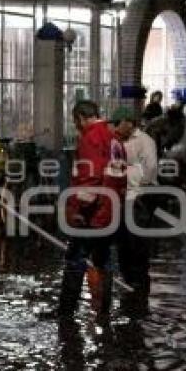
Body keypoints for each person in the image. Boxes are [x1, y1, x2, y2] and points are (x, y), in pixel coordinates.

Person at [52, 100, 126, 320]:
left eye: (76, 122)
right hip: (110, 211)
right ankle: (104, 311)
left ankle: (66, 313)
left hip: (91, 215)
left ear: (81, 118)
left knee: (75, 259)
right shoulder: (114, 138)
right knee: (104, 261)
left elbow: (90, 179)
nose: (76, 127)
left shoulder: (91, 138)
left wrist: (78, 209)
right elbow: (121, 176)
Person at [109, 106, 158, 294]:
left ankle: (140, 285)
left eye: (117, 124)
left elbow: (150, 170)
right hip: (122, 197)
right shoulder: (117, 142)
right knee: (123, 242)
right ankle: (127, 280)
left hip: (140, 197)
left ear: (129, 123)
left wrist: (127, 174)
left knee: (137, 243)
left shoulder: (145, 142)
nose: (115, 128)